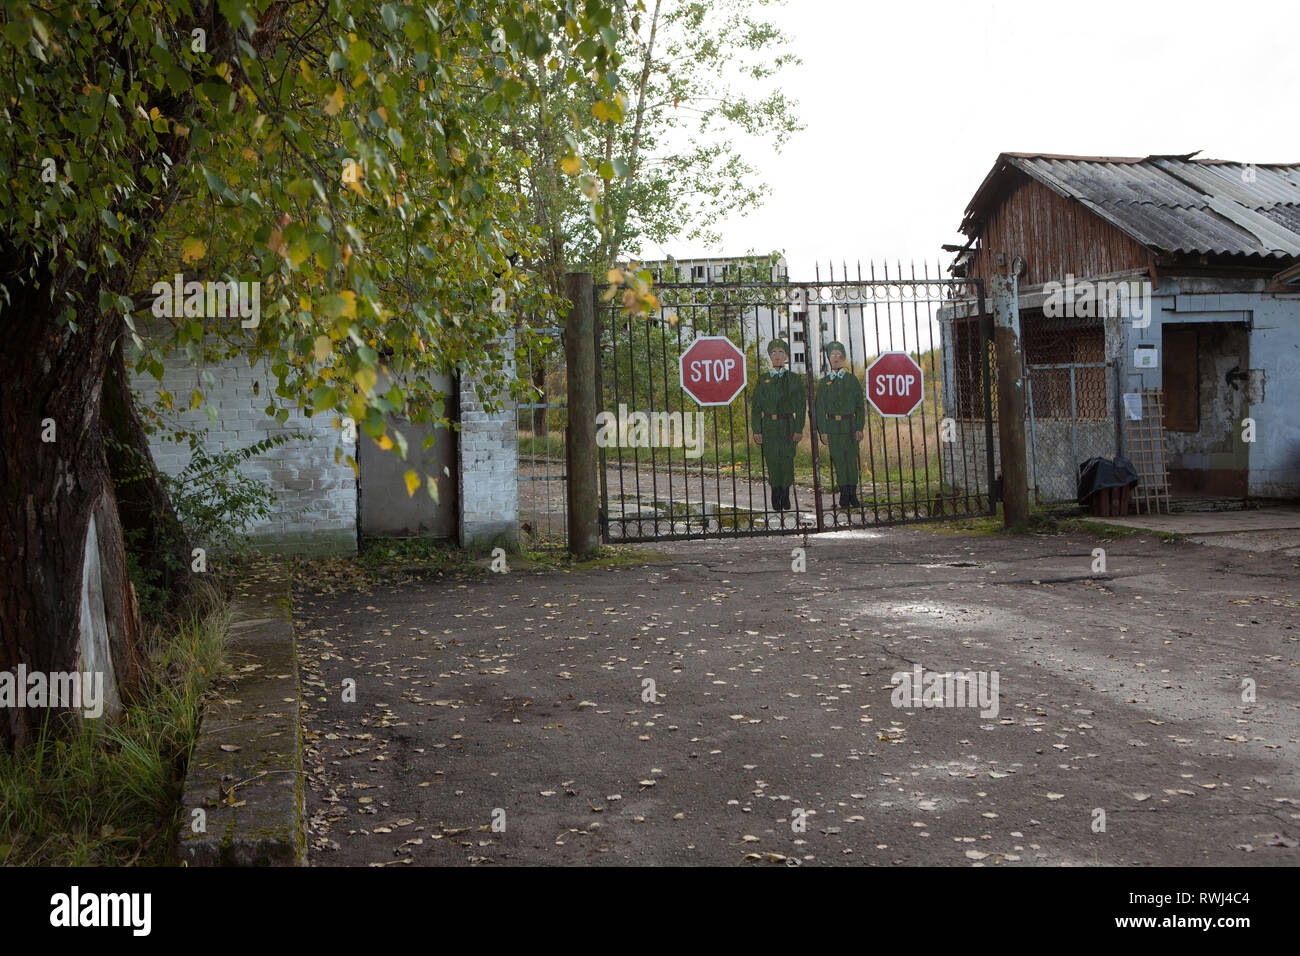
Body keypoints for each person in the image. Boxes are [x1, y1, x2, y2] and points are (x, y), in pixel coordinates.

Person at [751, 338, 805, 511]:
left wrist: (799, 429)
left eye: (781, 352)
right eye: (773, 352)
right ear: (769, 356)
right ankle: (775, 494)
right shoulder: (763, 380)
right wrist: (757, 429)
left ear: (787, 356)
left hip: (788, 424)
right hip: (769, 426)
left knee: (787, 460)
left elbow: (801, 406)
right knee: (772, 460)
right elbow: (756, 407)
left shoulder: (794, 379)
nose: (777, 356)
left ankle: (785, 493)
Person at [815, 341, 865, 508]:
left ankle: (853, 493)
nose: (835, 358)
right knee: (839, 461)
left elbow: (860, 406)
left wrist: (859, 427)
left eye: (838, 355)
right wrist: (823, 431)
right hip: (833, 428)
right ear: (828, 358)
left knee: (851, 460)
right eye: (832, 355)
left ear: (843, 358)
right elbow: (819, 409)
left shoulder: (852, 380)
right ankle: (844, 493)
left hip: (850, 426)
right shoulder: (824, 383)